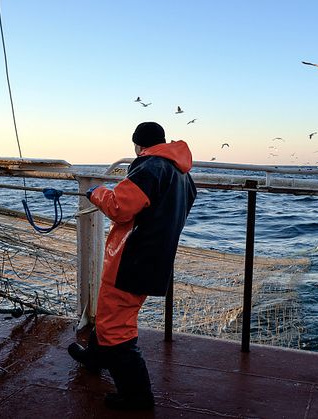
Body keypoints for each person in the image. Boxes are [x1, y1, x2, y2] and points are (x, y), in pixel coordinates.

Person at [68, 121, 197, 410]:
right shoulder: (183, 174)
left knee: (116, 328)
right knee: (113, 314)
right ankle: (95, 357)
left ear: (139, 146)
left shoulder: (150, 167)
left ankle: (138, 397)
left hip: (131, 260)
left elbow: (119, 207)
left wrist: (96, 191)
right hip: (155, 259)